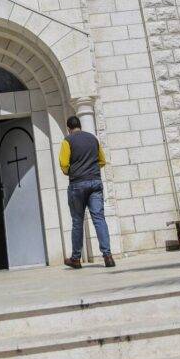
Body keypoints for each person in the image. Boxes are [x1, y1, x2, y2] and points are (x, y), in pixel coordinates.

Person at [58, 115, 114, 269]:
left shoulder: (67, 141)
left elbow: (63, 164)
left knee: (77, 222)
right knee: (99, 219)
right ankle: (108, 256)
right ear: (80, 125)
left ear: (68, 128)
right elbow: (102, 160)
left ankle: (76, 259)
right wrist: (91, 170)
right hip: (95, 182)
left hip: (77, 184)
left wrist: (72, 171)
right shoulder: (93, 139)